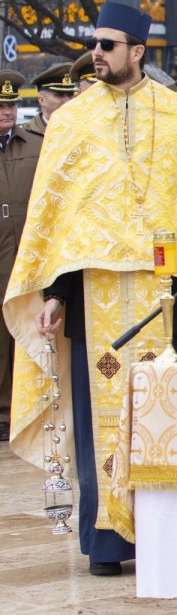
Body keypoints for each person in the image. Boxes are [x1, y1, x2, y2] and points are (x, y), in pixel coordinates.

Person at [2, 3, 177, 575]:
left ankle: (165, 538)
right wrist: (53, 293)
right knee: (99, 420)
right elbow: (55, 223)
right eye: (93, 44)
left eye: (107, 44)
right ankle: (106, 541)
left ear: (137, 51)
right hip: (94, 295)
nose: (95, 53)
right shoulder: (72, 122)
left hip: (164, 295)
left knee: (167, 414)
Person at [0, 72, 42, 444]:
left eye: (11, 104)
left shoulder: (33, 143)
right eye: (0, 105)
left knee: (25, 324)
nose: (6, 111)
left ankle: (19, 406)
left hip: (24, 249)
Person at [25, 63, 77, 133]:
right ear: (42, 100)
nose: (68, 101)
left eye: (70, 94)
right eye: (60, 95)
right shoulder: (24, 135)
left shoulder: (83, 130)